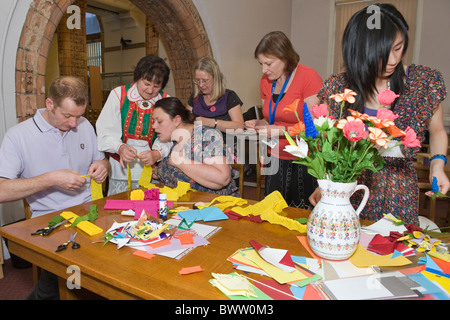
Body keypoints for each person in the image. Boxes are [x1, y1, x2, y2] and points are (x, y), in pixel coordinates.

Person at [310, 4, 449, 226]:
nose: (393, 60)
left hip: (399, 192)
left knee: (395, 253)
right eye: (383, 54)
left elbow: (437, 130)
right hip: (351, 188)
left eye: (399, 48)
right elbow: (332, 147)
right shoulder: (339, 87)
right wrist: (326, 185)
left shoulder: (422, 83)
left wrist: (437, 165)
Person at [0, 76, 110, 299]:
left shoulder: (84, 125)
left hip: (91, 212)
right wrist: (51, 179)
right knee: (71, 275)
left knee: (118, 260)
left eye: (78, 116)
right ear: (50, 104)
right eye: (67, 116)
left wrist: (103, 165)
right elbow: (2, 191)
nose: (73, 124)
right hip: (51, 221)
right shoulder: (17, 136)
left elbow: (102, 160)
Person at [245, 31, 323, 209]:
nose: (263, 70)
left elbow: (314, 128)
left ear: (285, 58)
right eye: (261, 64)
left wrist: (280, 131)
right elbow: (271, 119)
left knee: (301, 215)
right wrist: (260, 125)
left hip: (305, 159)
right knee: (272, 212)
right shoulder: (266, 81)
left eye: (268, 63)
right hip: (276, 157)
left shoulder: (308, 77)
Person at [96, 54, 171, 195]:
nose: (150, 90)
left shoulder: (166, 101)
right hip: (121, 168)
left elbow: (171, 136)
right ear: (137, 77)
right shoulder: (118, 95)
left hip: (152, 171)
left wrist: (157, 153)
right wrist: (120, 147)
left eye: (156, 86)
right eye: (146, 84)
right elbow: (104, 132)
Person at [153, 97, 239, 197]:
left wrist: (180, 161)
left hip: (216, 207)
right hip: (187, 206)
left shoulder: (206, 136)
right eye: (153, 121)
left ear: (177, 120)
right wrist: (156, 170)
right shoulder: (172, 142)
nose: (154, 126)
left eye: (159, 121)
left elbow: (222, 178)